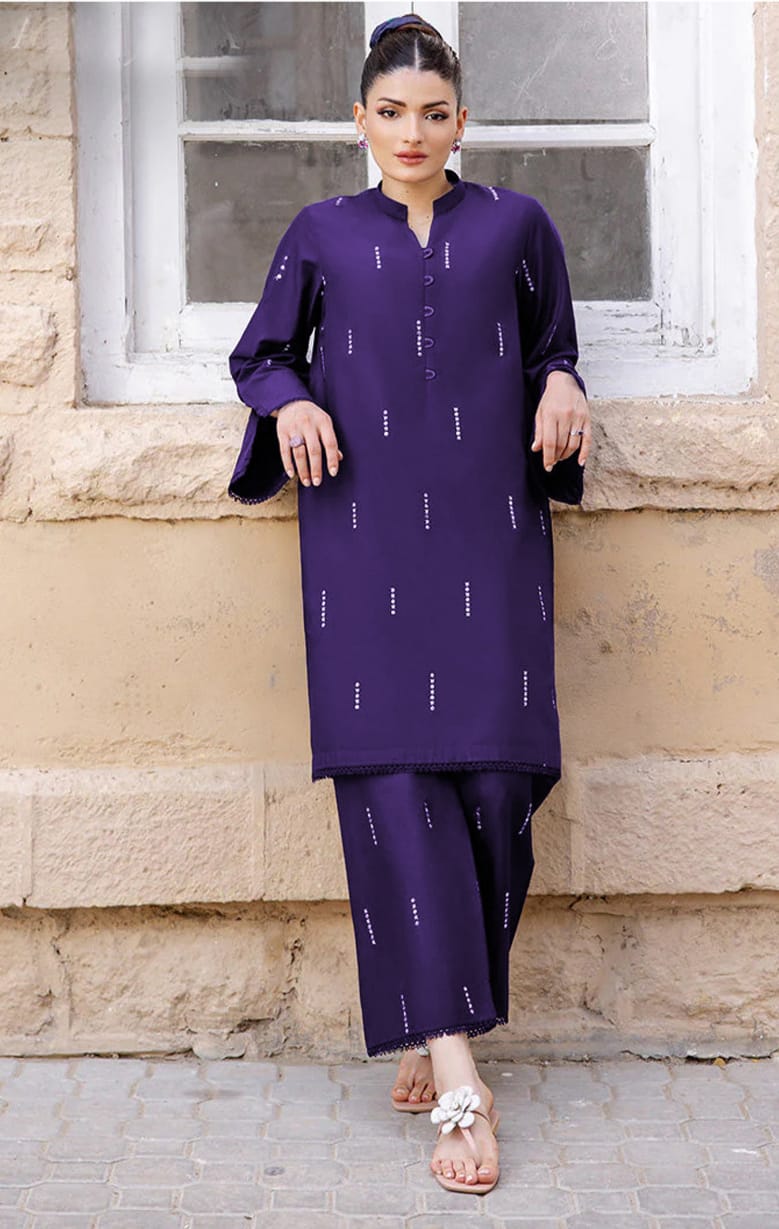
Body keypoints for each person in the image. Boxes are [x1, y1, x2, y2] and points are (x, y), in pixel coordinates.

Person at [227, 11, 592, 1197]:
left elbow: (549, 343)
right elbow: (261, 353)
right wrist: (288, 402)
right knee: (393, 791)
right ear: (359, 121)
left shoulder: (516, 226)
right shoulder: (322, 233)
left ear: (461, 121)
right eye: (390, 112)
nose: (412, 132)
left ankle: (436, 1014)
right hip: (363, 536)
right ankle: (455, 1073)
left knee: (497, 783)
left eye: (433, 113)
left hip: (490, 533)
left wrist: (563, 382)